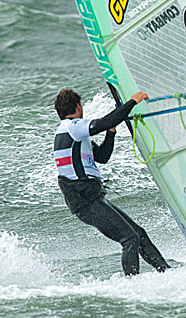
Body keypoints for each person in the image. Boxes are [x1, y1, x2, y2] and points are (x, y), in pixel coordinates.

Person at [53, 88, 170, 276]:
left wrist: (111, 132)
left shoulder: (71, 134)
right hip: (85, 201)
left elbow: (102, 156)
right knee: (129, 238)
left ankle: (167, 273)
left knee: (138, 234)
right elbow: (104, 122)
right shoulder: (73, 127)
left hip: (90, 199)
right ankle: (132, 283)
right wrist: (133, 101)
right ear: (78, 106)